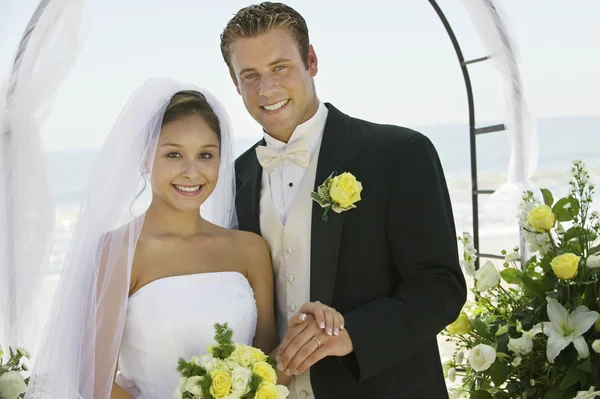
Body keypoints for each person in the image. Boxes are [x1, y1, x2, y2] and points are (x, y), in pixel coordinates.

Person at [24, 78, 340, 399]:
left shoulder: (249, 250)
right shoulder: (120, 251)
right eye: (174, 155)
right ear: (145, 159)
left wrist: (310, 332)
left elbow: (264, 370)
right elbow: (96, 381)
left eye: (206, 155)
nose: (192, 172)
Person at [222, 3, 468, 398]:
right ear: (235, 84)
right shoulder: (232, 179)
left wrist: (350, 333)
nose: (266, 89)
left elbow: (440, 287)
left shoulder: (399, 153)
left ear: (311, 61)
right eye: (250, 75)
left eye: (280, 67)